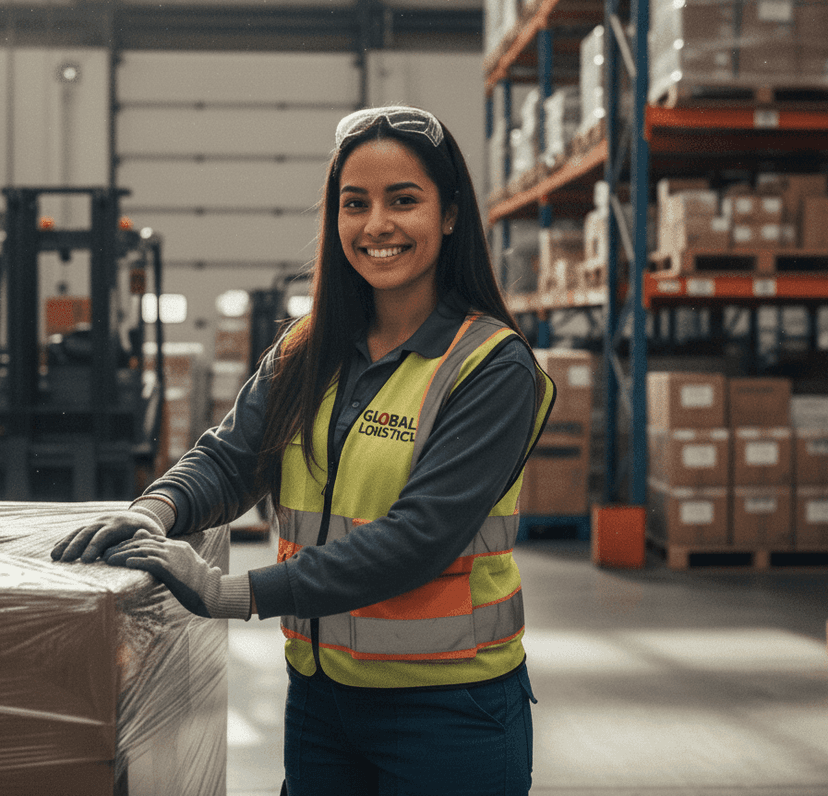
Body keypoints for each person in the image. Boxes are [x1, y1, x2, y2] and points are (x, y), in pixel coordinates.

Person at [52, 105, 556, 796]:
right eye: (356, 204)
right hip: (322, 698)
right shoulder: (308, 347)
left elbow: (420, 537)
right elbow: (232, 458)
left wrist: (232, 592)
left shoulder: (491, 367)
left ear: (449, 215)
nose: (376, 224)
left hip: (450, 707)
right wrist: (155, 510)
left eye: (403, 201)